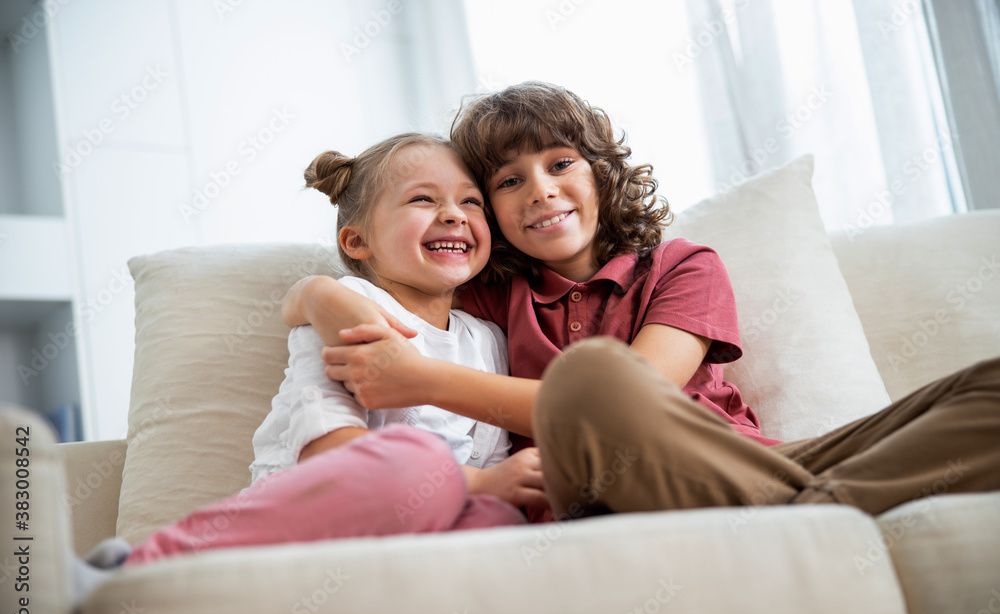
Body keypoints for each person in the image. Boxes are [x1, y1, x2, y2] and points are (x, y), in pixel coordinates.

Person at [283, 81, 1000, 525]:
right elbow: (352, 291)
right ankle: (810, 513)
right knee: (592, 376)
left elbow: (650, 385)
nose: (541, 190)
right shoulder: (490, 295)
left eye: (560, 163)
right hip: (599, 490)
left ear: (600, 174)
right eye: (507, 181)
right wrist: (317, 289)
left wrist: (425, 381)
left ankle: (807, 510)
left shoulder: (683, 266)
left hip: (747, 461)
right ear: (491, 214)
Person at [74, 133, 542, 596]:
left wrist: (493, 485)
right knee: (417, 465)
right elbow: (330, 452)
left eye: (471, 201)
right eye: (423, 199)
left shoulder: (488, 338)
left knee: (497, 517)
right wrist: (479, 481)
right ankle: (131, 571)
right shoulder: (348, 307)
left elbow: (494, 465)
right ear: (357, 241)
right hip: (315, 524)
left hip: (409, 545)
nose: (453, 214)